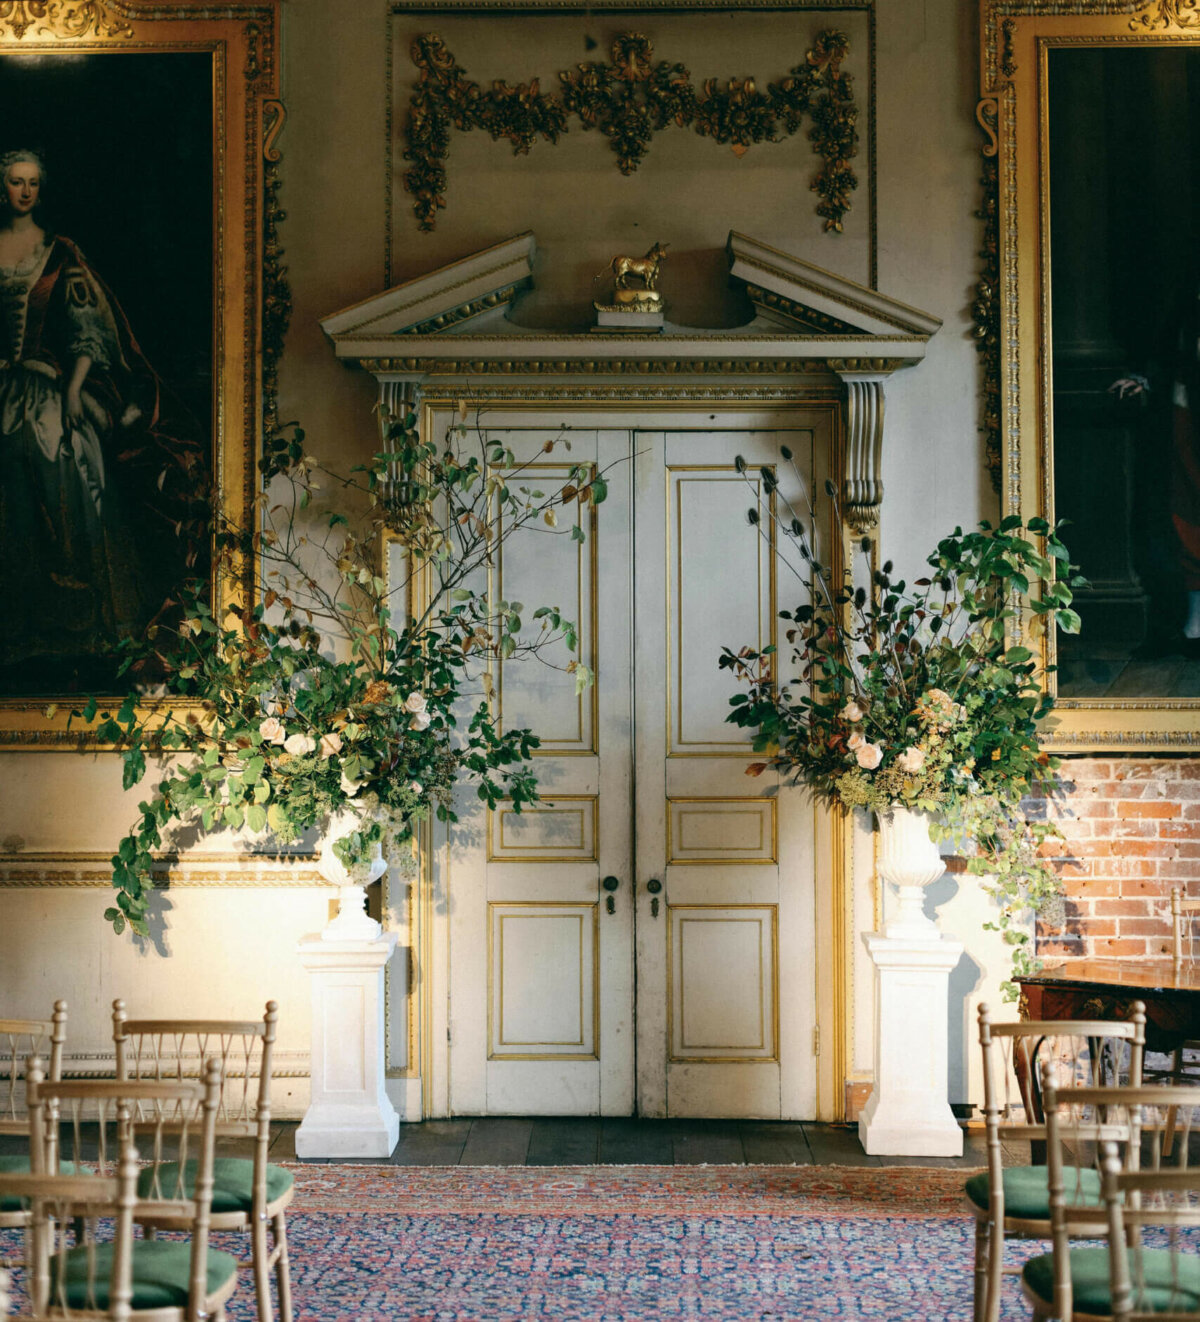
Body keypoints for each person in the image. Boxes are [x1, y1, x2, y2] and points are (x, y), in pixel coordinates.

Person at [0, 148, 207, 692]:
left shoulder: (59, 254)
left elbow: (89, 329)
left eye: (31, 183)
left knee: (60, 467)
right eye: (14, 182)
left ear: (41, 189)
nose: (23, 192)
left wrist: (71, 388)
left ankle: (73, 628)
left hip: (46, 386)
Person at [1110, 274, 1200, 656]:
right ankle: (1196, 625)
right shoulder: (1186, 295)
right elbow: (1168, 348)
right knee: (1187, 511)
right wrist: (1143, 380)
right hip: (1185, 407)